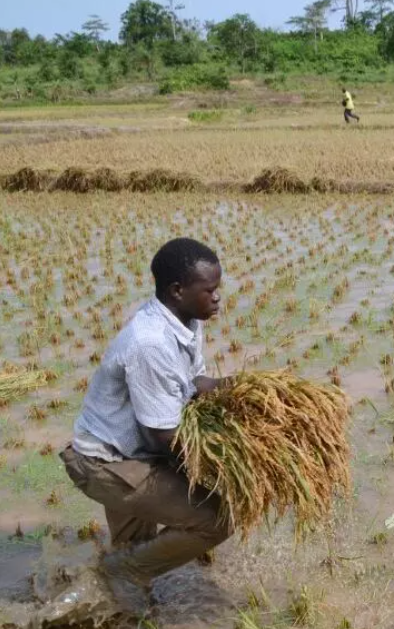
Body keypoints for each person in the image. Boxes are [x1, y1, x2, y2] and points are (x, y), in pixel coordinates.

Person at [44, 238, 232, 621]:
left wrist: (237, 388)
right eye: (209, 290)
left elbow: (193, 382)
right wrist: (217, 474)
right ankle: (115, 573)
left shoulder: (187, 320)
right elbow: (164, 438)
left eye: (217, 289)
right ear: (177, 290)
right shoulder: (150, 344)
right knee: (215, 519)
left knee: (135, 572)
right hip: (106, 464)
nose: (217, 299)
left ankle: (92, 608)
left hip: (127, 452)